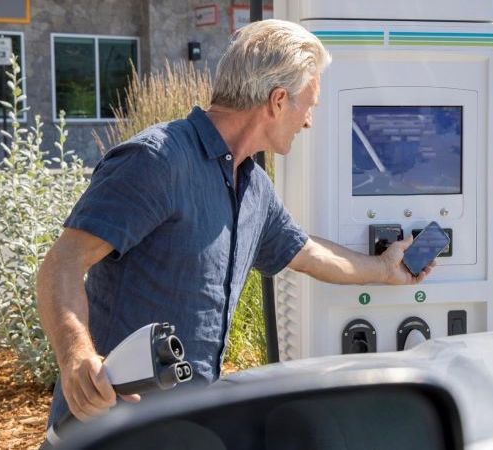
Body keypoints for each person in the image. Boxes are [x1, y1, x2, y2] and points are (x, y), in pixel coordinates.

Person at [36, 19, 433, 429]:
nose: (309, 122)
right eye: (308, 106)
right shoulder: (157, 161)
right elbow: (63, 262)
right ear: (278, 101)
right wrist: (77, 356)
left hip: (181, 429)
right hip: (104, 431)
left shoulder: (253, 187)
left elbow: (308, 253)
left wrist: (386, 270)